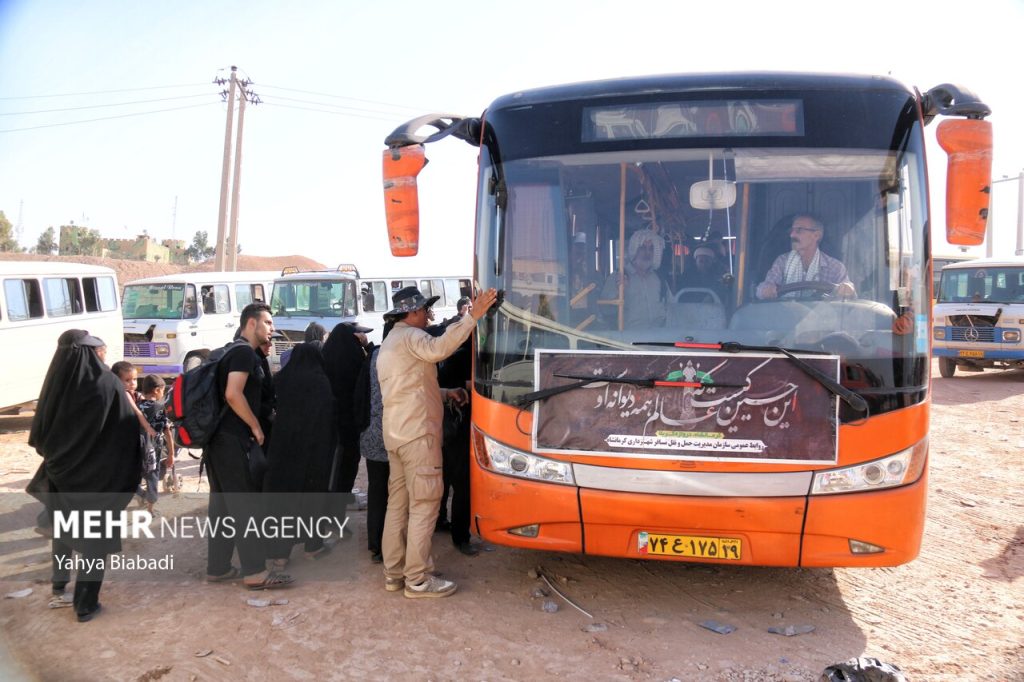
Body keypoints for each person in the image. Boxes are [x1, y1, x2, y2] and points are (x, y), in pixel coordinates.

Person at [378, 285, 497, 598]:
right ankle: (417, 579)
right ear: (413, 311)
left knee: (398, 507)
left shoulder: (391, 342)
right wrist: (473, 317)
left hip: (396, 435)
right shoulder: (414, 338)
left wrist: (444, 394)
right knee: (425, 505)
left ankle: (395, 574)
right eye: (425, 310)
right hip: (418, 436)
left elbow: (408, 387)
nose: (429, 315)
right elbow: (441, 348)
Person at [27, 330, 141, 622]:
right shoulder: (107, 384)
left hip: (62, 475)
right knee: (95, 540)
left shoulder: (55, 386)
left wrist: (62, 458)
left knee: (63, 530)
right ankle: (85, 604)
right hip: (99, 479)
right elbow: (125, 429)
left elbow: (39, 435)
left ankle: (59, 584)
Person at [204, 302, 293, 591]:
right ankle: (254, 572)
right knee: (246, 507)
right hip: (233, 441)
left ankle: (218, 568)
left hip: (218, 441)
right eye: (267, 322)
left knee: (222, 507)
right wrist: (255, 426)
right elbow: (233, 394)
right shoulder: (243, 352)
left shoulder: (231, 351)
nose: (271, 328)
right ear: (251, 324)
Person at [263, 342, 337, 567]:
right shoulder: (321, 382)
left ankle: (279, 553)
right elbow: (328, 419)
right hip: (313, 452)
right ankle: (313, 547)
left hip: (284, 449)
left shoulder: (282, 379)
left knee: (283, 502)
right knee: (313, 498)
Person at [358, 317, 396, 564]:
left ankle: (375, 544)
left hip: (371, 434)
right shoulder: (397, 358)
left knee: (376, 490)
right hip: (393, 434)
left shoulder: (372, 357)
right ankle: (389, 546)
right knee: (396, 493)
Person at [322, 321, 373, 493]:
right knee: (345, 473)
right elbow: (374, 364)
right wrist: (368, 347)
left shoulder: (323, 362)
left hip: (329, 431)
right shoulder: (356, 363)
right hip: (350, 430)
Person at [756, 214, 856, 300]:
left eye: (799, 230)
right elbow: (762, 289)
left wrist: (847, 289)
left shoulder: (835, 267)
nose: (792, 235)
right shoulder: (782, 262)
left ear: (816, 235)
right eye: (792, 230)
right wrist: (766, 290)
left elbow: (850, 295)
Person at [600, 227, 669, 328]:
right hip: (628, 339)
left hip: (660, 337)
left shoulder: (660, 279)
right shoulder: (618, 277)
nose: (647, 253)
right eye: (642, 248)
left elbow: (672, 307)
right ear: (634, 250)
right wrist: (620, 293)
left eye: (651, 249)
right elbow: (604, 310)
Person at [137, 374, 176, 509]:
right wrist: (171, 454)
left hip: (136, 447)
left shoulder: (137, 406)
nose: (163, 394)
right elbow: (167, 432)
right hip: (153, 449)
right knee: (152, 476)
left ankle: (140, 493)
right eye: (163, 391)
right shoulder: (160, 408)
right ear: (157, 390)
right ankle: (150, 508)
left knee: (134, 474)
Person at [111, 361, 157, 441]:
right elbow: (136, 411)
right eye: (127, 380)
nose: (132, 383)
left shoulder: (136, 394)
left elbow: (147, 405)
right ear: (117, 381)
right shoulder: (124, 393)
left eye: (135, 379)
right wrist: (148, 427)